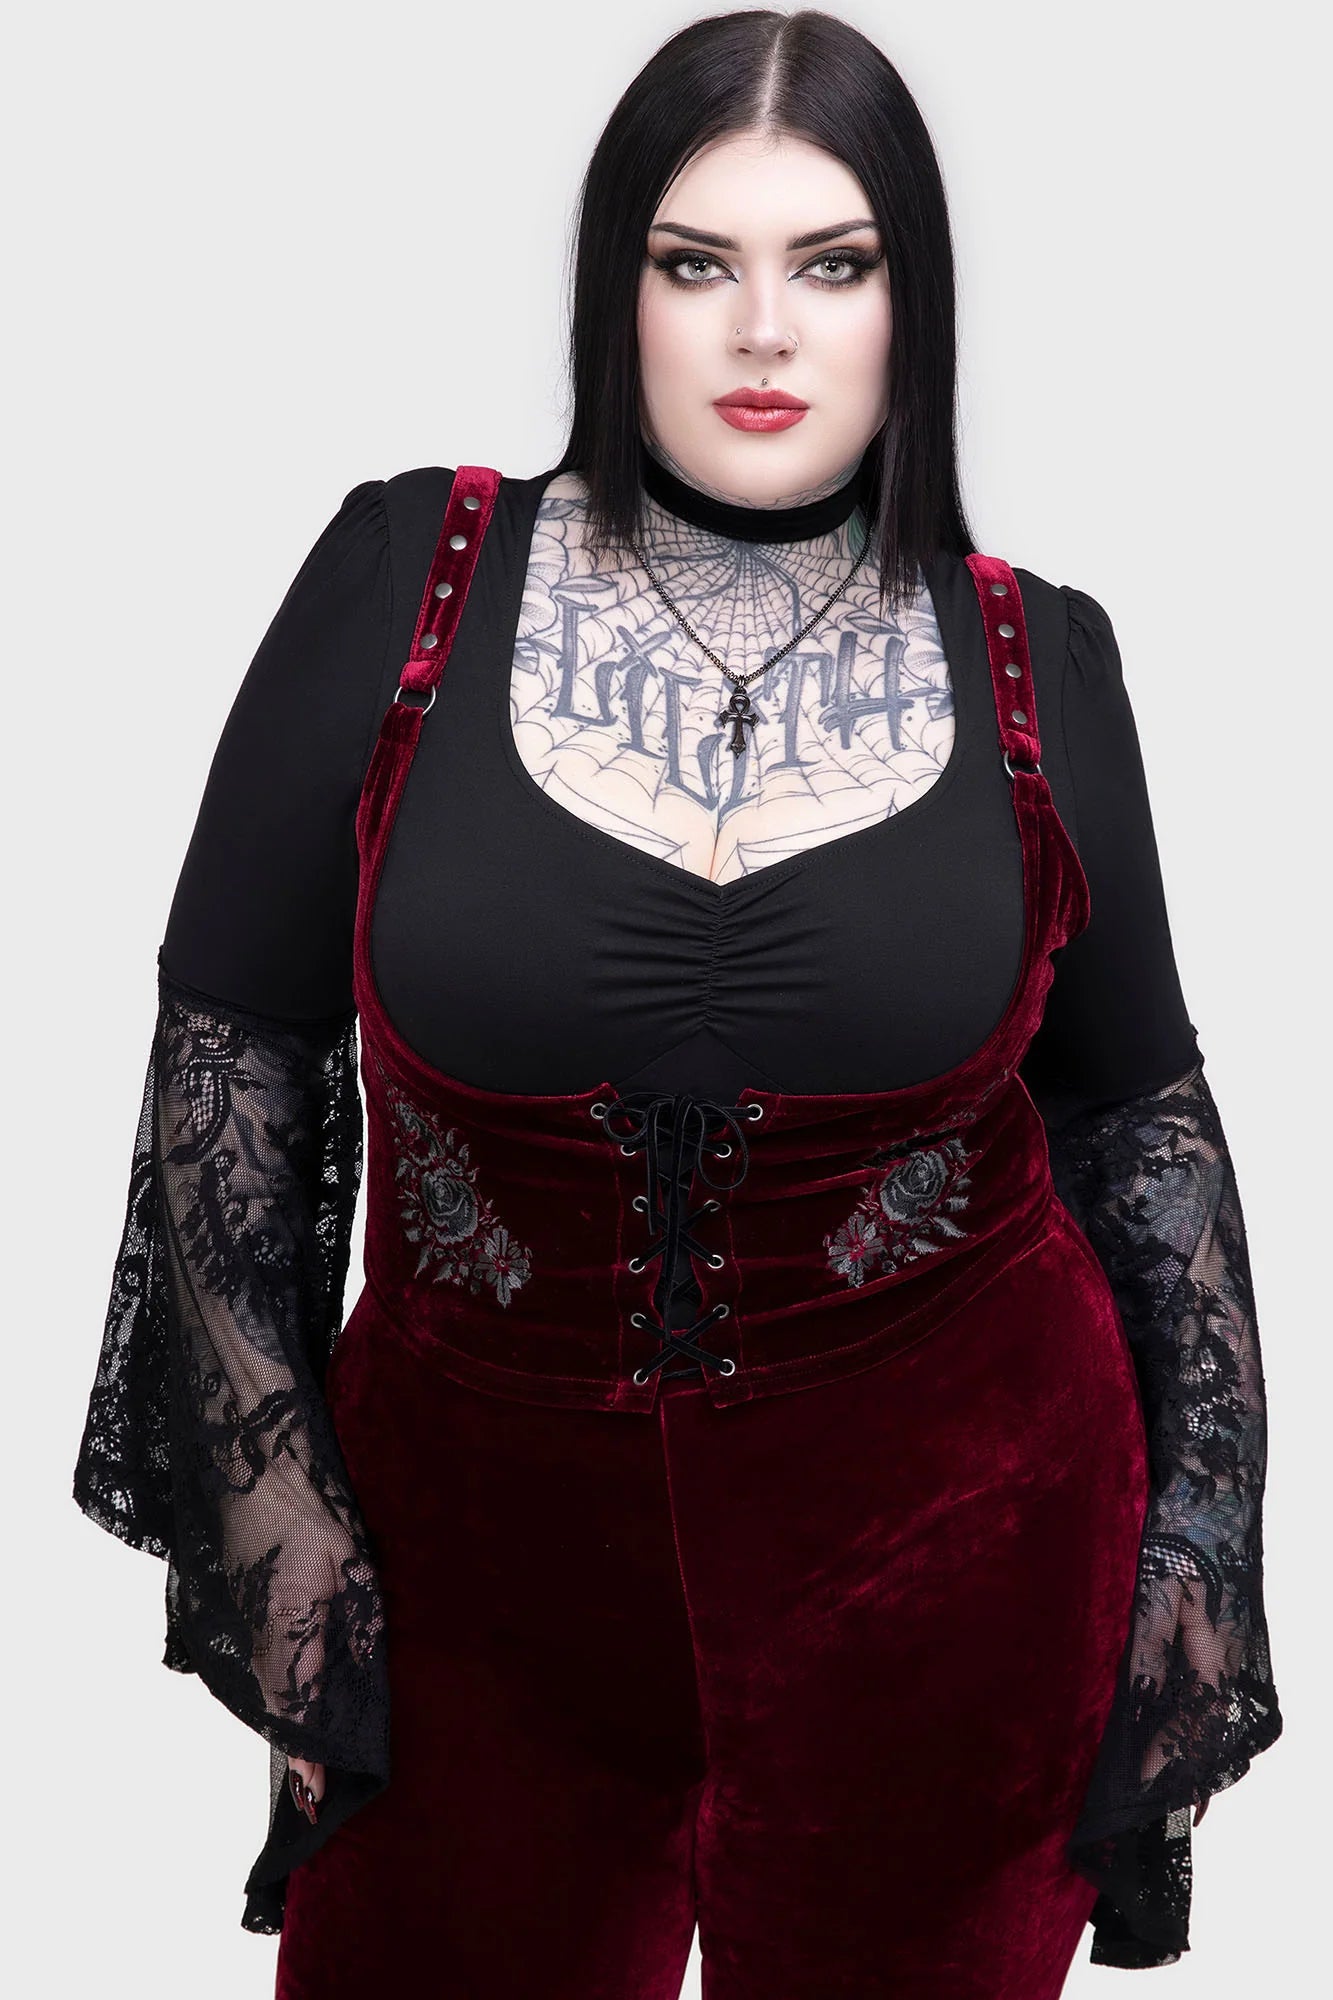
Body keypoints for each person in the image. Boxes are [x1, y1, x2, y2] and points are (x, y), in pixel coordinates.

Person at [72, 9, 1281, 1993]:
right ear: (612, 290)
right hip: (469, 1591)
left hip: (963, 1575)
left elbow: (1139, 1124)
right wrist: (288, 1534)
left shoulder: (1035, 658)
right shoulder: (408, 574)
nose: (762, 332)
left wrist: (1197, 1545)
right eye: (695, 262)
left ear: (913, 304)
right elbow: (232, 1056)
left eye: (834, 264)